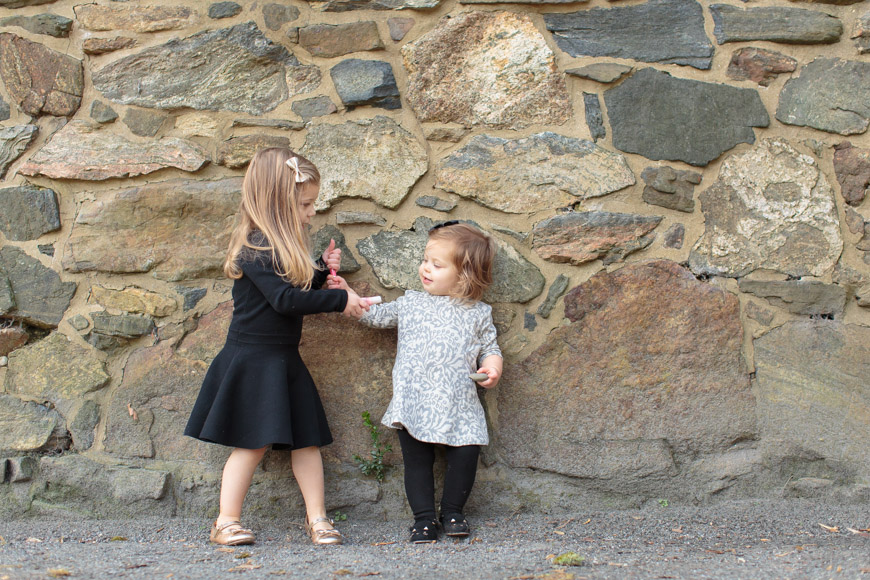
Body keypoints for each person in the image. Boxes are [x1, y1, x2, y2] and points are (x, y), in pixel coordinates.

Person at [185, 148, 370, 546]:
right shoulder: (254, 248)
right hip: (252, 360)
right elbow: (284, 300)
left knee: (306, 441)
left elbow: (294, 289)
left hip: (283, 359)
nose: (310, 213)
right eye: (305, 204)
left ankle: (318, 518)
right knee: (252, 444)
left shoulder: (280, 247)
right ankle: (225, 521)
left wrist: (319, 272)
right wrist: (340, 301)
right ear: (277, 203)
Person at [330, 221, 503, 543]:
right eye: (425, 260)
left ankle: (453, 511)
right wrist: (347, 294)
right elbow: (374, 316)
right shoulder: (412, 303)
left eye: (437, 265)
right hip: (415, 401)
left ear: (464, 275)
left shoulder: (478, 312)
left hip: (459, 402)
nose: (425, 268)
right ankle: (423, 519)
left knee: (465, 457)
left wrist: (492, 368)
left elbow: (489, 347)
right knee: (418, 464)